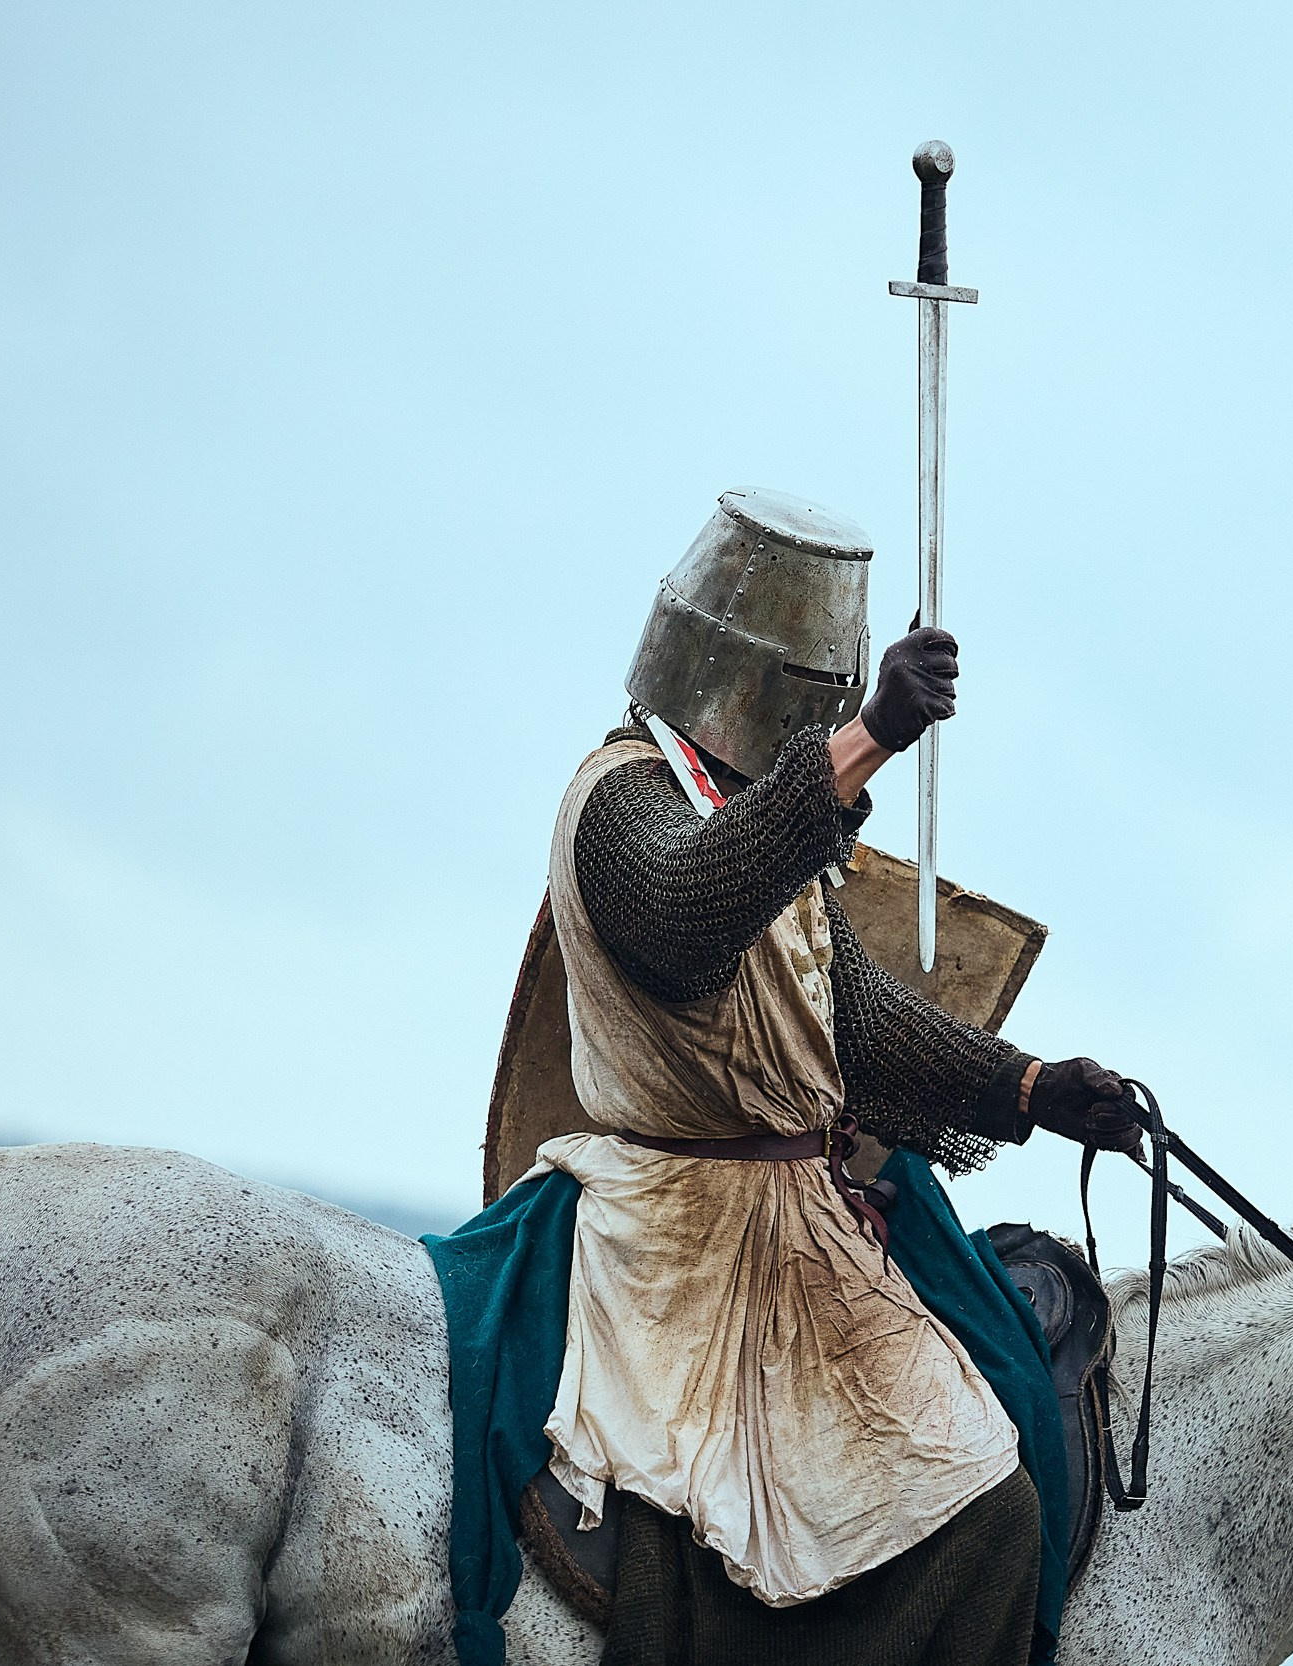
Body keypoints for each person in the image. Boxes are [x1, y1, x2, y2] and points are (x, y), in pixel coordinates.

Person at [526, 486, 1136, 1665]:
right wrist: (868, 745)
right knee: (976, 1512)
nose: (823, 736)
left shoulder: (753, 814)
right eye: (824, 713)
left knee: (994, 1494)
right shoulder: (620, 798)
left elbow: (848, 1017)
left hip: (798, 1224)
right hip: (690, 1241)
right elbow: (682, 914)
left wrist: (1029, 1089)